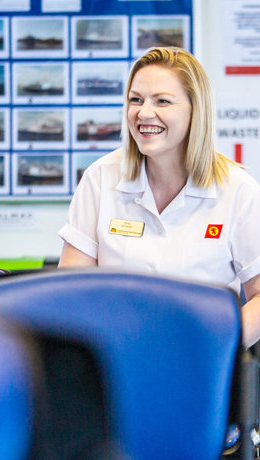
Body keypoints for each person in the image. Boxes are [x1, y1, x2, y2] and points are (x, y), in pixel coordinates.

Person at [58, 46, 260, 348]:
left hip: (202, 365)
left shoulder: (237, 190)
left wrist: (218, 351)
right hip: (114, 359)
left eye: (162, 101)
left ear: (196, 110)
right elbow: (69, 290)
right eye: (135, 100)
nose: (144, 112)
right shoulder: (101, 178)